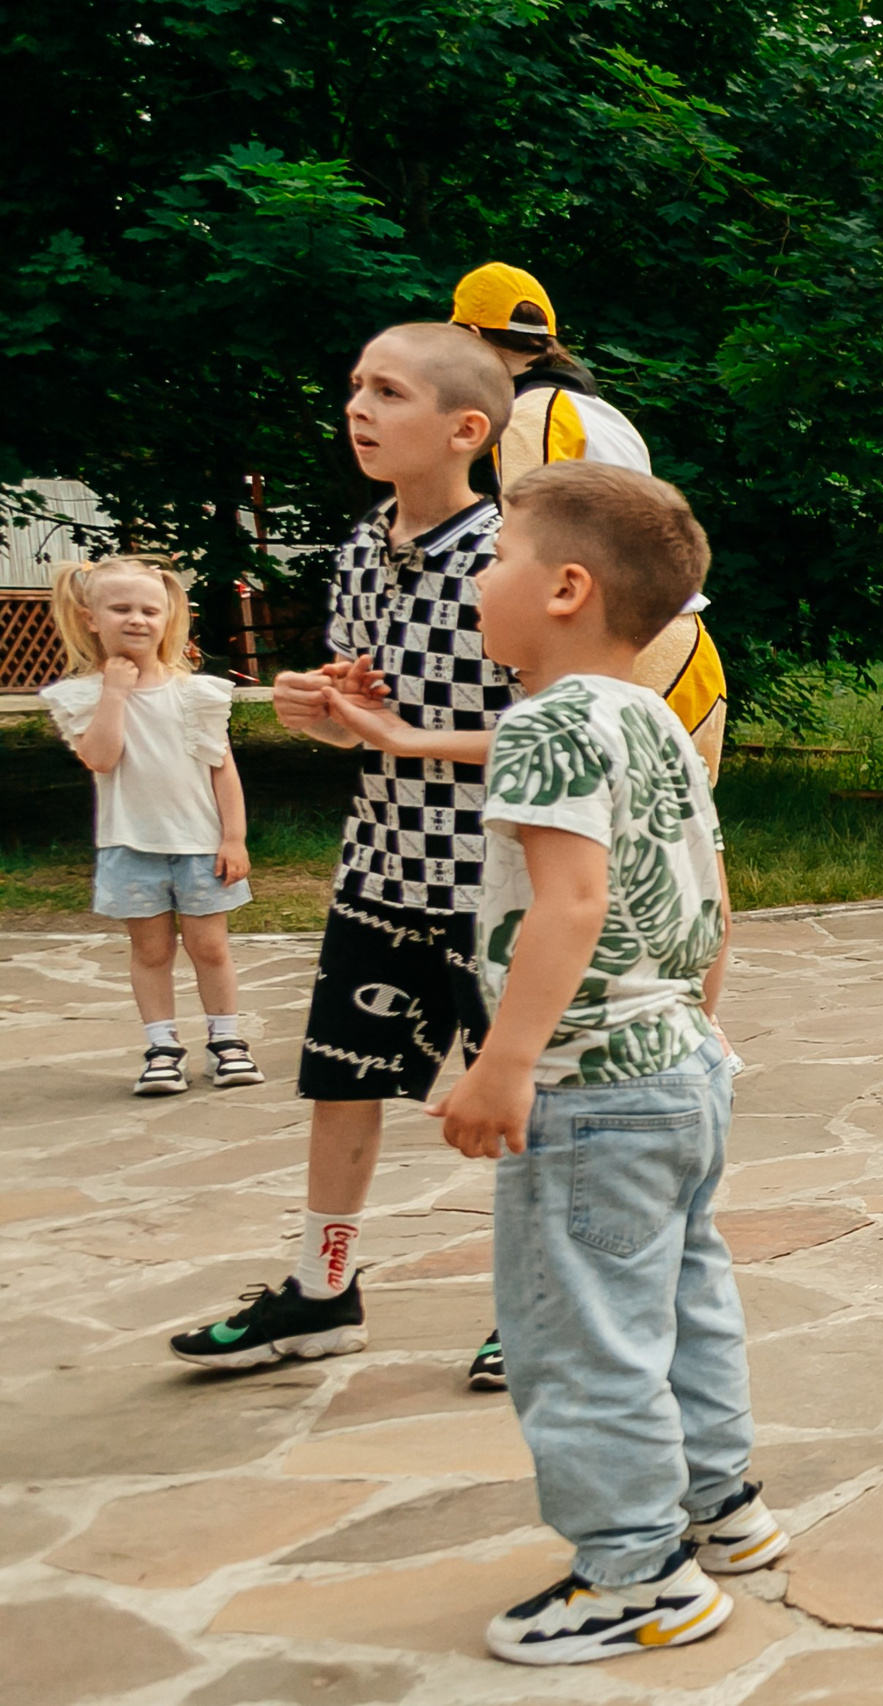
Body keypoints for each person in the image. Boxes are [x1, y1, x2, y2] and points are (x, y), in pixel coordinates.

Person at [403, 459, 778, 1665]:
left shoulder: (548, 723)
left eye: (496, 555)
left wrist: (505, 1061)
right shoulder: (650, 718)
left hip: (591, 1083)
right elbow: (709, 893)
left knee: (577, 1333)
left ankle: (633, 1573)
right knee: (681, 1302)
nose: (479, 576)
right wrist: (703, 1024)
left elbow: (568, 904)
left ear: (565, 587)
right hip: (681, 1061)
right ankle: (723, 1507)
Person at [168, 324, 518, 1371]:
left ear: (465, 428)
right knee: (342, 1079)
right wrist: (314, 705)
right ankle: (324, 1291)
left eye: (388, 391)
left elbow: (568, 724)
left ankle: (537, 1302)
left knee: (518, 1099)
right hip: (381, 864)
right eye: (356, 387)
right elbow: (363, 710)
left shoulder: (516, 552)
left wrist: (410, 735)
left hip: (501, 878)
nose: (358, 407)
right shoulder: (362, 544)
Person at [450, 263, 728, 783]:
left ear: (469, 337)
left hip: (628, 653)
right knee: (677, 848)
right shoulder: (596, 408)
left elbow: (536, 553)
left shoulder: (531, 416)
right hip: (678, 646)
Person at [41, 557, 261, 1096]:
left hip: (200, 845)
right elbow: (101, 758)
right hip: (130, 846)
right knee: (152, 952)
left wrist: (233, 837)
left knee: (210, 948)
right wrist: (114, 692)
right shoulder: (81, 697)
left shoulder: (195, 694)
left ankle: (227, 1041)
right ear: (91, 618)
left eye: (149, 610)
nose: (136, 619)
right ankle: (162, 1047)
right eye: (120, 609)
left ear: (167, 618)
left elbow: (221, 768)